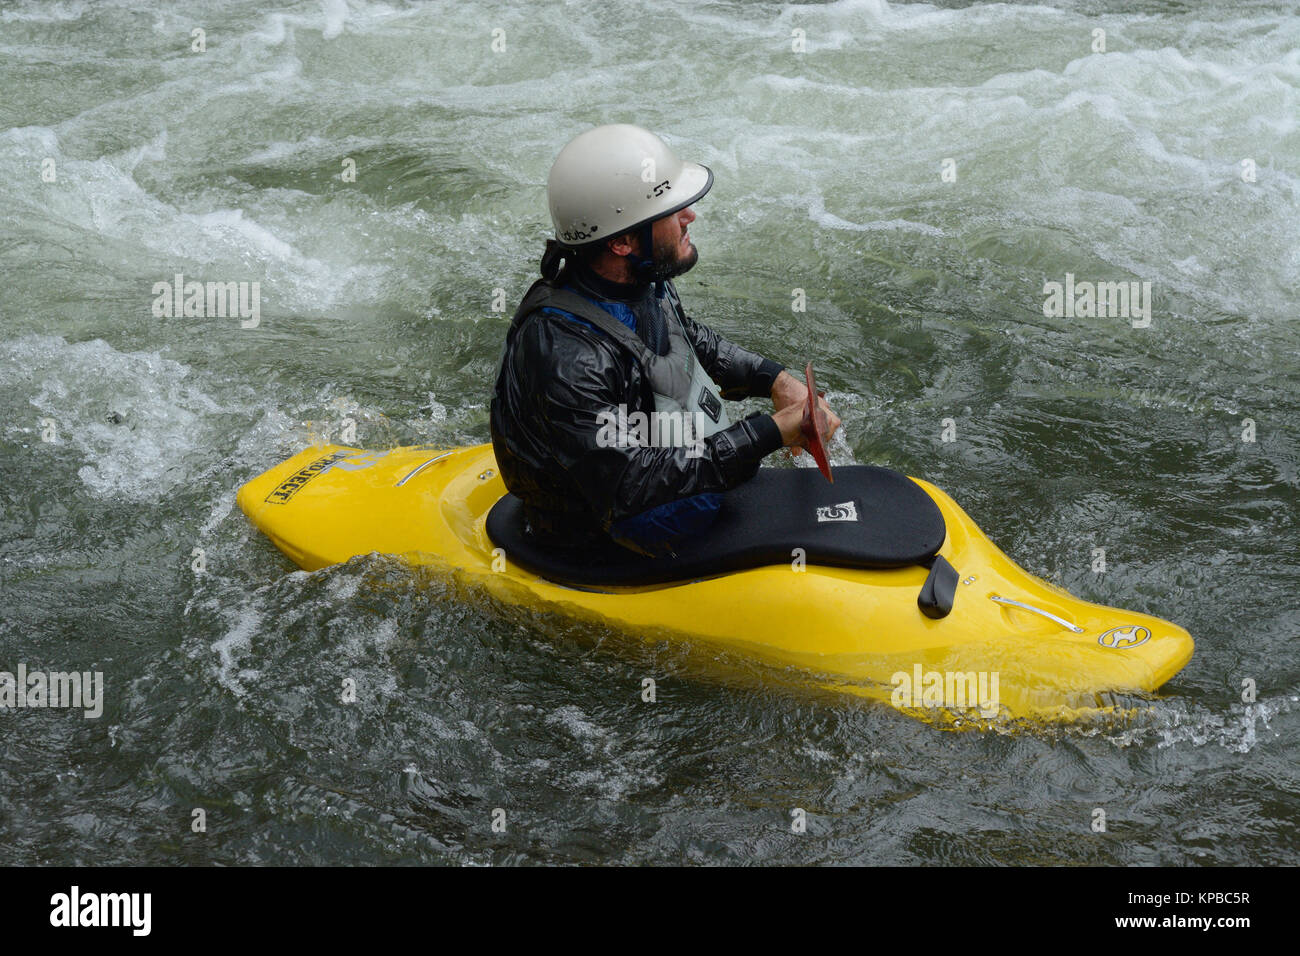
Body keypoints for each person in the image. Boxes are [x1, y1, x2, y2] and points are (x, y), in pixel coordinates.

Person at [490, 124, 840, 557]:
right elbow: (631, 485)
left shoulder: (639, 280)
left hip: (658, 477)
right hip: (602, 535)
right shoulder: (567, 355)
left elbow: (688, 340)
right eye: (673, 210)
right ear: (621, 241)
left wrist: (774, 380)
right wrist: (769, 433)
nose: (689, 216)